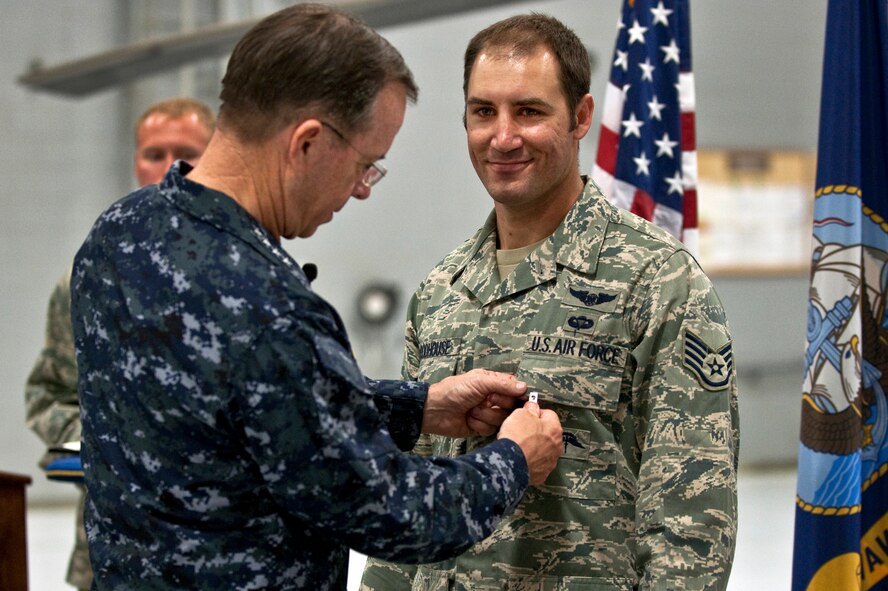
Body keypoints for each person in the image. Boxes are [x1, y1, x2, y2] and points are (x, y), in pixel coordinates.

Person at [69, 4, 564, 590]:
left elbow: (239, 409)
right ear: (306, 142)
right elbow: (394, 513)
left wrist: (417, 406)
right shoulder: (269, 308)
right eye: (367, 164)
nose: (361, 190)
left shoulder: (119, 234)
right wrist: (511, 459)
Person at [361, 13, 740, 591]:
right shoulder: (442, 289)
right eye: (483, 111)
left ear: (581, 117)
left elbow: (691, 525)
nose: (503, 137)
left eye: (530, 111)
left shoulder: (656, 282)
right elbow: (411, 498)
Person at [25, 96, 215, 591]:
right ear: (135, 160)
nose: (169, 166)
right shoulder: (88, 277)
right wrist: (113, 438)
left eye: (186, 152)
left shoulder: (246, 269)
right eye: (153, 153)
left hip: (225, 549)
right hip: (114, 548)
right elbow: (47, 396)